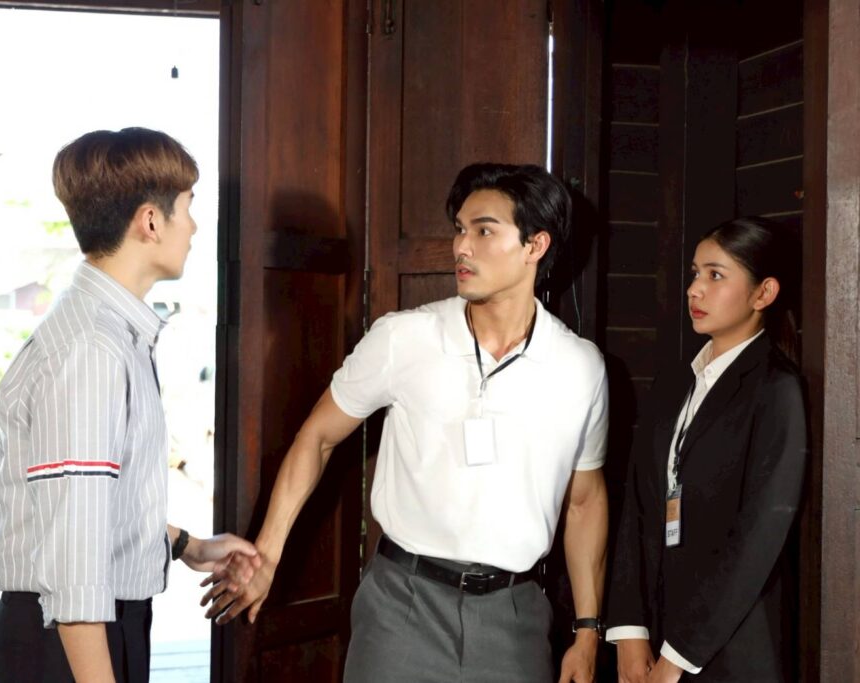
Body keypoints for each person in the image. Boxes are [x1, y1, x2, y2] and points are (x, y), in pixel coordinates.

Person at [203, 163, 610, 682]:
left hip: (515, 618)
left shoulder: (580, 367)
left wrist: (587, 630)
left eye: (484, 231)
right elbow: (318, 437)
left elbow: (584, 501)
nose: (461, 246)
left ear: (535, 245)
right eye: (459, 229)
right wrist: (267, 552)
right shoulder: (403, 338)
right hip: (402, 607)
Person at [0, 127, 260, 683]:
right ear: (150, 221)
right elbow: (74, 559)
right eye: (188, 207)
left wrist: (187, 546)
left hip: (81, 631)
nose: (194, 226)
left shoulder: (107, 333)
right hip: (69, 640)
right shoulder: (92, 349)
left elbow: (90, 505)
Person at [606, 217, 807, 682]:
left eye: (716, 275)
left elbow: (758, 539)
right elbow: (638, 506)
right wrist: (630, 632)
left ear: (764, 293)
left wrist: (677, 657)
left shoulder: (776, 389)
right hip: (654, 636)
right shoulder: (674, 381)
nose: (695, 289)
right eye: (696, 273)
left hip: (730, 651)